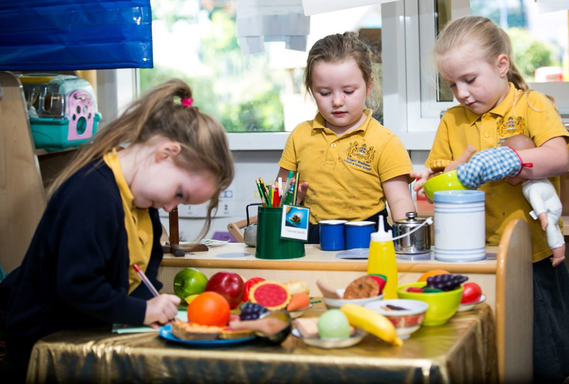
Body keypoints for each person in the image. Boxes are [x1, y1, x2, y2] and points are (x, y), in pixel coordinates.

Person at [0, 79, 234, 382]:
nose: (169, 207)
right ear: (165, 153)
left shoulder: (144, 203)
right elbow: (79, 286)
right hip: (43, 354)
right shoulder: (92, 193)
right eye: (179, 193)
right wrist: (142, 312)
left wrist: (151, 307)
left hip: (88, 341)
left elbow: (139, 280)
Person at [411, 16, 569, 382]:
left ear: (501, 65)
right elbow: (441, 178)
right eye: (451, 84)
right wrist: (433, 177)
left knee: (541, 356)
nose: (461, 93)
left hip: (530, 256)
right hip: (473, 256)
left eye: (470, 80)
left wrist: (515, 161)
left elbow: (559, 157)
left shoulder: (532, 105)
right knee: (486, 352)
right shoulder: (452, 121)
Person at [277, 32, 416, 244]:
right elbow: (279, 190)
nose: (337, 101)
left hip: (367, 238)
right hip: (309, 238)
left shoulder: (386, 141)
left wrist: (408, 242)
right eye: (325, 93)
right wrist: (288, 200)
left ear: (369, 86)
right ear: (311, 90)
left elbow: (399, 200)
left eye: (349, 91)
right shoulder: (300, 135)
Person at [502, 134, 566, 267]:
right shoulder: (535, 180)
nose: (505, 178)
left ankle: (559, 254)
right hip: (550, 206)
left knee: (551, 229)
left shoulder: (533, 188)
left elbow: (538, 205)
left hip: (549, 210)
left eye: (508, 174)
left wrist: (543, 219)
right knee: (554, 229)